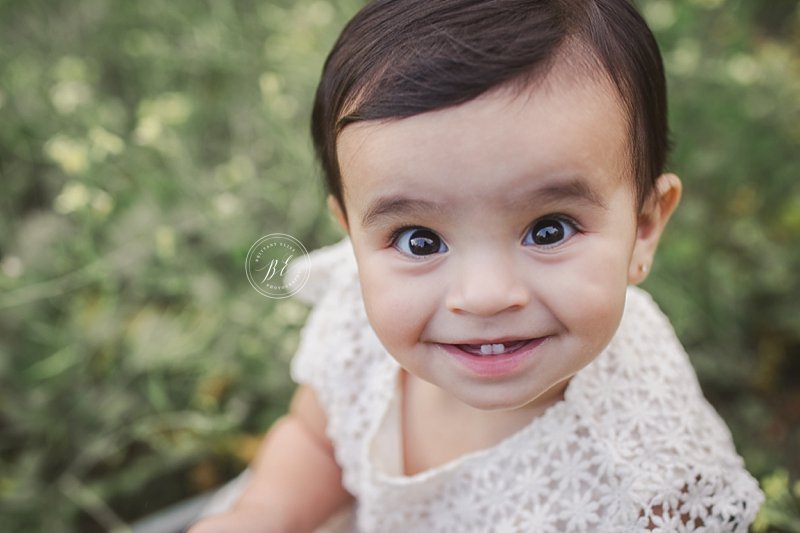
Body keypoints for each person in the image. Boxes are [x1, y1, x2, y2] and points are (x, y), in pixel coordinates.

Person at [190, 0, 764, 531]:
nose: (485, 295)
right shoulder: (358, 324)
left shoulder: (651, 479)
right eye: (419, 241)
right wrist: (261, 515)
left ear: (643, 228)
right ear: (353, 237)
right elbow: (318, 440)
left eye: (549, 230)